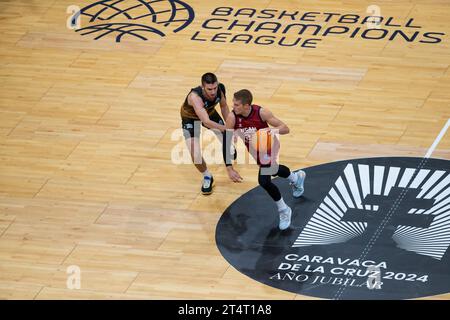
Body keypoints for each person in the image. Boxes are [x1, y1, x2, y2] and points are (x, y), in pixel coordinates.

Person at [224, 89, 306, 230]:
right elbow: (226, 142)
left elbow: (285, 128)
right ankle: (296, 178)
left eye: (236, 105)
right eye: (233, 104)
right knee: (273, 170)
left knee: (264, 180)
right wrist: (229, 168)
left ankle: (284, 210)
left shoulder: (262, 113)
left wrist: (269, 131)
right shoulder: (232, 118)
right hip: (256, 152)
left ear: (246, 105)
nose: (233, 107)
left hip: (270, 146)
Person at [180, 72, 235, 195]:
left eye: (215, 88)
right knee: (195, 154)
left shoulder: (220, 89)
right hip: (191, 118)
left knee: (225, 136)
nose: (213, 92)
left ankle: (229, 147)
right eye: (209, 89)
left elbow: (224, 106)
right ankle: (207, 176)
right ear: (202, 87)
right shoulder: (195, 97)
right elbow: (206, 121)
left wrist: (229, 127)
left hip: (208, 112)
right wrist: (226, 129)